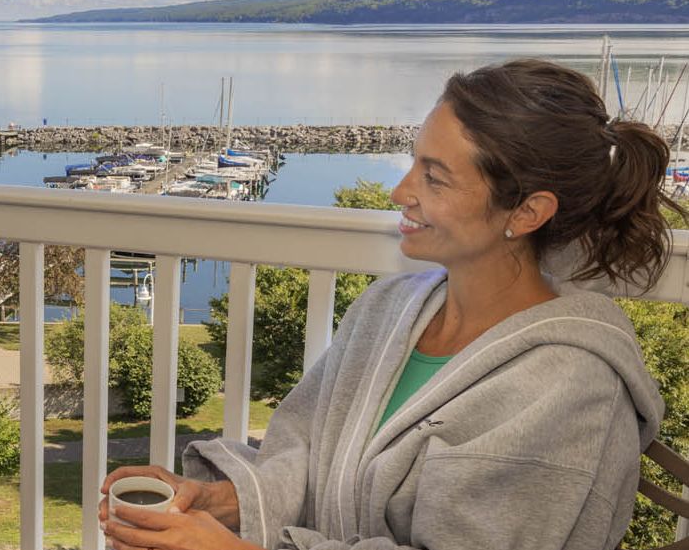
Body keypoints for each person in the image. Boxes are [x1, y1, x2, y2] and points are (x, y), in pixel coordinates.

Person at [99, 59, 685, 550]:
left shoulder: (569, 389)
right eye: (413, 164)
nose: (399, 192)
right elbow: (312, 457)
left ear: (527, 212)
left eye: (435, 179)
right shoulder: (389, 309)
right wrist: (225, 503)